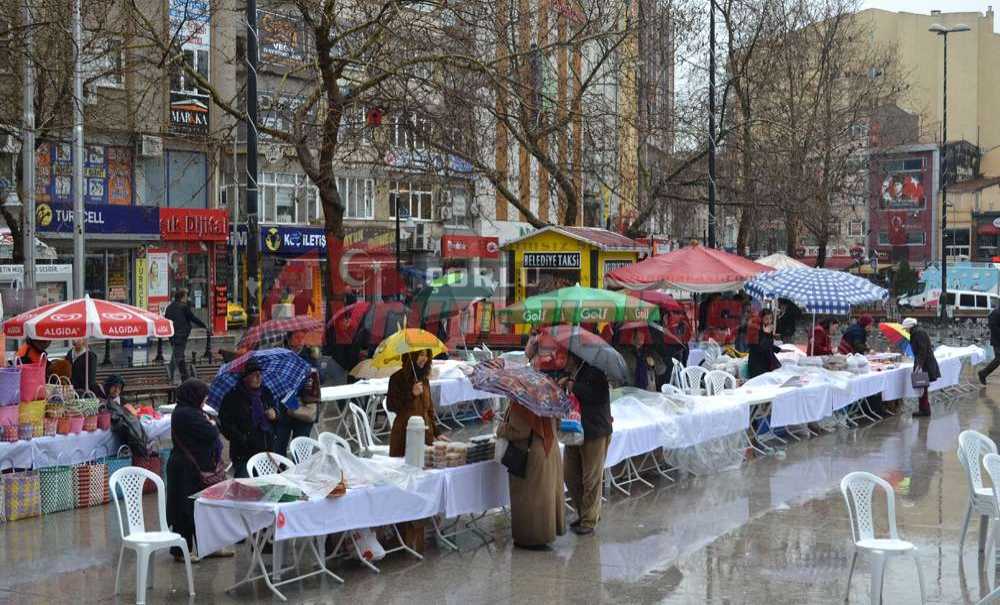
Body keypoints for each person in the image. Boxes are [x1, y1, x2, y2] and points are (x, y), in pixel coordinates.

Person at [166, 379, 232, 561]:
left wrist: (210, 423)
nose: (205, 400)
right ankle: (181, 552)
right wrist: (211, 425)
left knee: (202, 509)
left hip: (195, 466)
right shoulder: (185, 413)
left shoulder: (193, 411)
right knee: (184, 511)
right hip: (185, 469)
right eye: (203, 396)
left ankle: (208, 547)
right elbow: (211, 433)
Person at [386, 349, 441, 553]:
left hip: (424, 434)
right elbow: (392, 405)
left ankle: (418, 522)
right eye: (420, 355)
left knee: (423, 479)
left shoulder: (424, 379)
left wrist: (437, 432)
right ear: (410, 356)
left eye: (426, 355)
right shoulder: (397, 378)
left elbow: (429, 408)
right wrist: (411, 393)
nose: (423, 359)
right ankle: (400, 527)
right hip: (404, 434)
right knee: (404, 481)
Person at [496, 401, 565, 549]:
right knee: (545, 495)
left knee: (529, 497)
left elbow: (519, 431)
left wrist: (500, 428)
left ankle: (531, 538)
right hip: (550, 449)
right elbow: (558, 424)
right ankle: (545, 533)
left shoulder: (521, 403)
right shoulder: (548, 399)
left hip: (533, 454)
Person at [561, 352, 610, 535]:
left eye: (563, 357)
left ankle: (589, 520)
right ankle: (584, 513)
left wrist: (575, 387)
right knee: (570, 474)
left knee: (591, 478)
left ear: (573, 358)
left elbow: (600, 396)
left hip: (594, 431)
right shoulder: (569, 374)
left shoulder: (594, 372)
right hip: (573, 431)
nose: (560, 361)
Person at [219, 359, 278, 478]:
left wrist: (275, 414)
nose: (259, 378)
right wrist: (242, 438)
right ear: (245, 377)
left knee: (266, 487)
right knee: (245, 488)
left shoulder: (265, 392)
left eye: (260, 374)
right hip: (244, 452)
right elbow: (224, 423)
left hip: (266, 448)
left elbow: (276, 413)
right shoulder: (233, 396)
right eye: (254, 375)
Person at [164, 288, 208, 383]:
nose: (187, 298)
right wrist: (204, 325)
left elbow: (166, 320)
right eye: (186, 296)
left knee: (178, 355)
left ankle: (185, 377)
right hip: (181, 335)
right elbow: (193, 318)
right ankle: (170, 376)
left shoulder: (169, 307)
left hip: (172, 335)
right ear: (182, 297)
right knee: (177, 357)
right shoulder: (183, 307)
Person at [273, 369, 320, 458]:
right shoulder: (272, 369)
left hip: (299, 411)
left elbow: (311, 414)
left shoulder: (308, 369)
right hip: (281, 414)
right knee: (278, 452)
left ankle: (299, 470)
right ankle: (281, 469)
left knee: (301, 453)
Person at [904, 317, 940, 418]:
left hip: (924, 364)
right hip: (923, 362)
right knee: (922, 387)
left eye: (905, 328)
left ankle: (924, 410)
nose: (905, 330)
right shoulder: (917, 332)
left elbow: (922, 350)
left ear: (910, 327)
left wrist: (919, 365)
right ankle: (924, 409)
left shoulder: (918, 333)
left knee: (922, 387)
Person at [747, 309, 781, 379]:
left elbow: (769, 345)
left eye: (771, 318)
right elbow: (760, 347)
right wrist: (766, 334)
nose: (769, 321)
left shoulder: (766, 328)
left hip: (766, 362)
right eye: (766, 319)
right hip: (757, 364)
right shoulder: (754, 329)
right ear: (761, 319)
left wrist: (779, 349)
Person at [979, 303, 1000, 384]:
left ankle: (983, 373)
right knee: (998, 359)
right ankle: (983, 373)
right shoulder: (996, 312)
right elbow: (992, 325)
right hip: (997, 340)